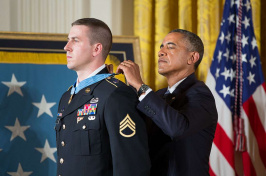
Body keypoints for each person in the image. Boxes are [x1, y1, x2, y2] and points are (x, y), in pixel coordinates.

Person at [55, 18, 150, 176]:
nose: (66, 47)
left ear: (96, 49)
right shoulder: (67, 96)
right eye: (67, 40)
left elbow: (132, 166)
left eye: (75, 40)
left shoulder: (116, 94)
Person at [116, 29, 218, 176]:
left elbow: (177, 129)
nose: (161, 52)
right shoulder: (159, 95)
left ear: (192, 58)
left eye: (170, 47)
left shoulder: (201, 93)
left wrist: (140, 86)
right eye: (161, 47)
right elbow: (133, 131)